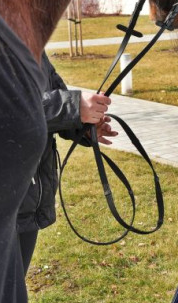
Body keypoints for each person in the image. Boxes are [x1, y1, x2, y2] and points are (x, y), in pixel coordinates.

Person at [17, 56, 117, 275]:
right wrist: (71, 107)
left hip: (26, 200)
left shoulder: (29, 42)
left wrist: (85, 125)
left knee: (11, 299)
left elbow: (51, 94)